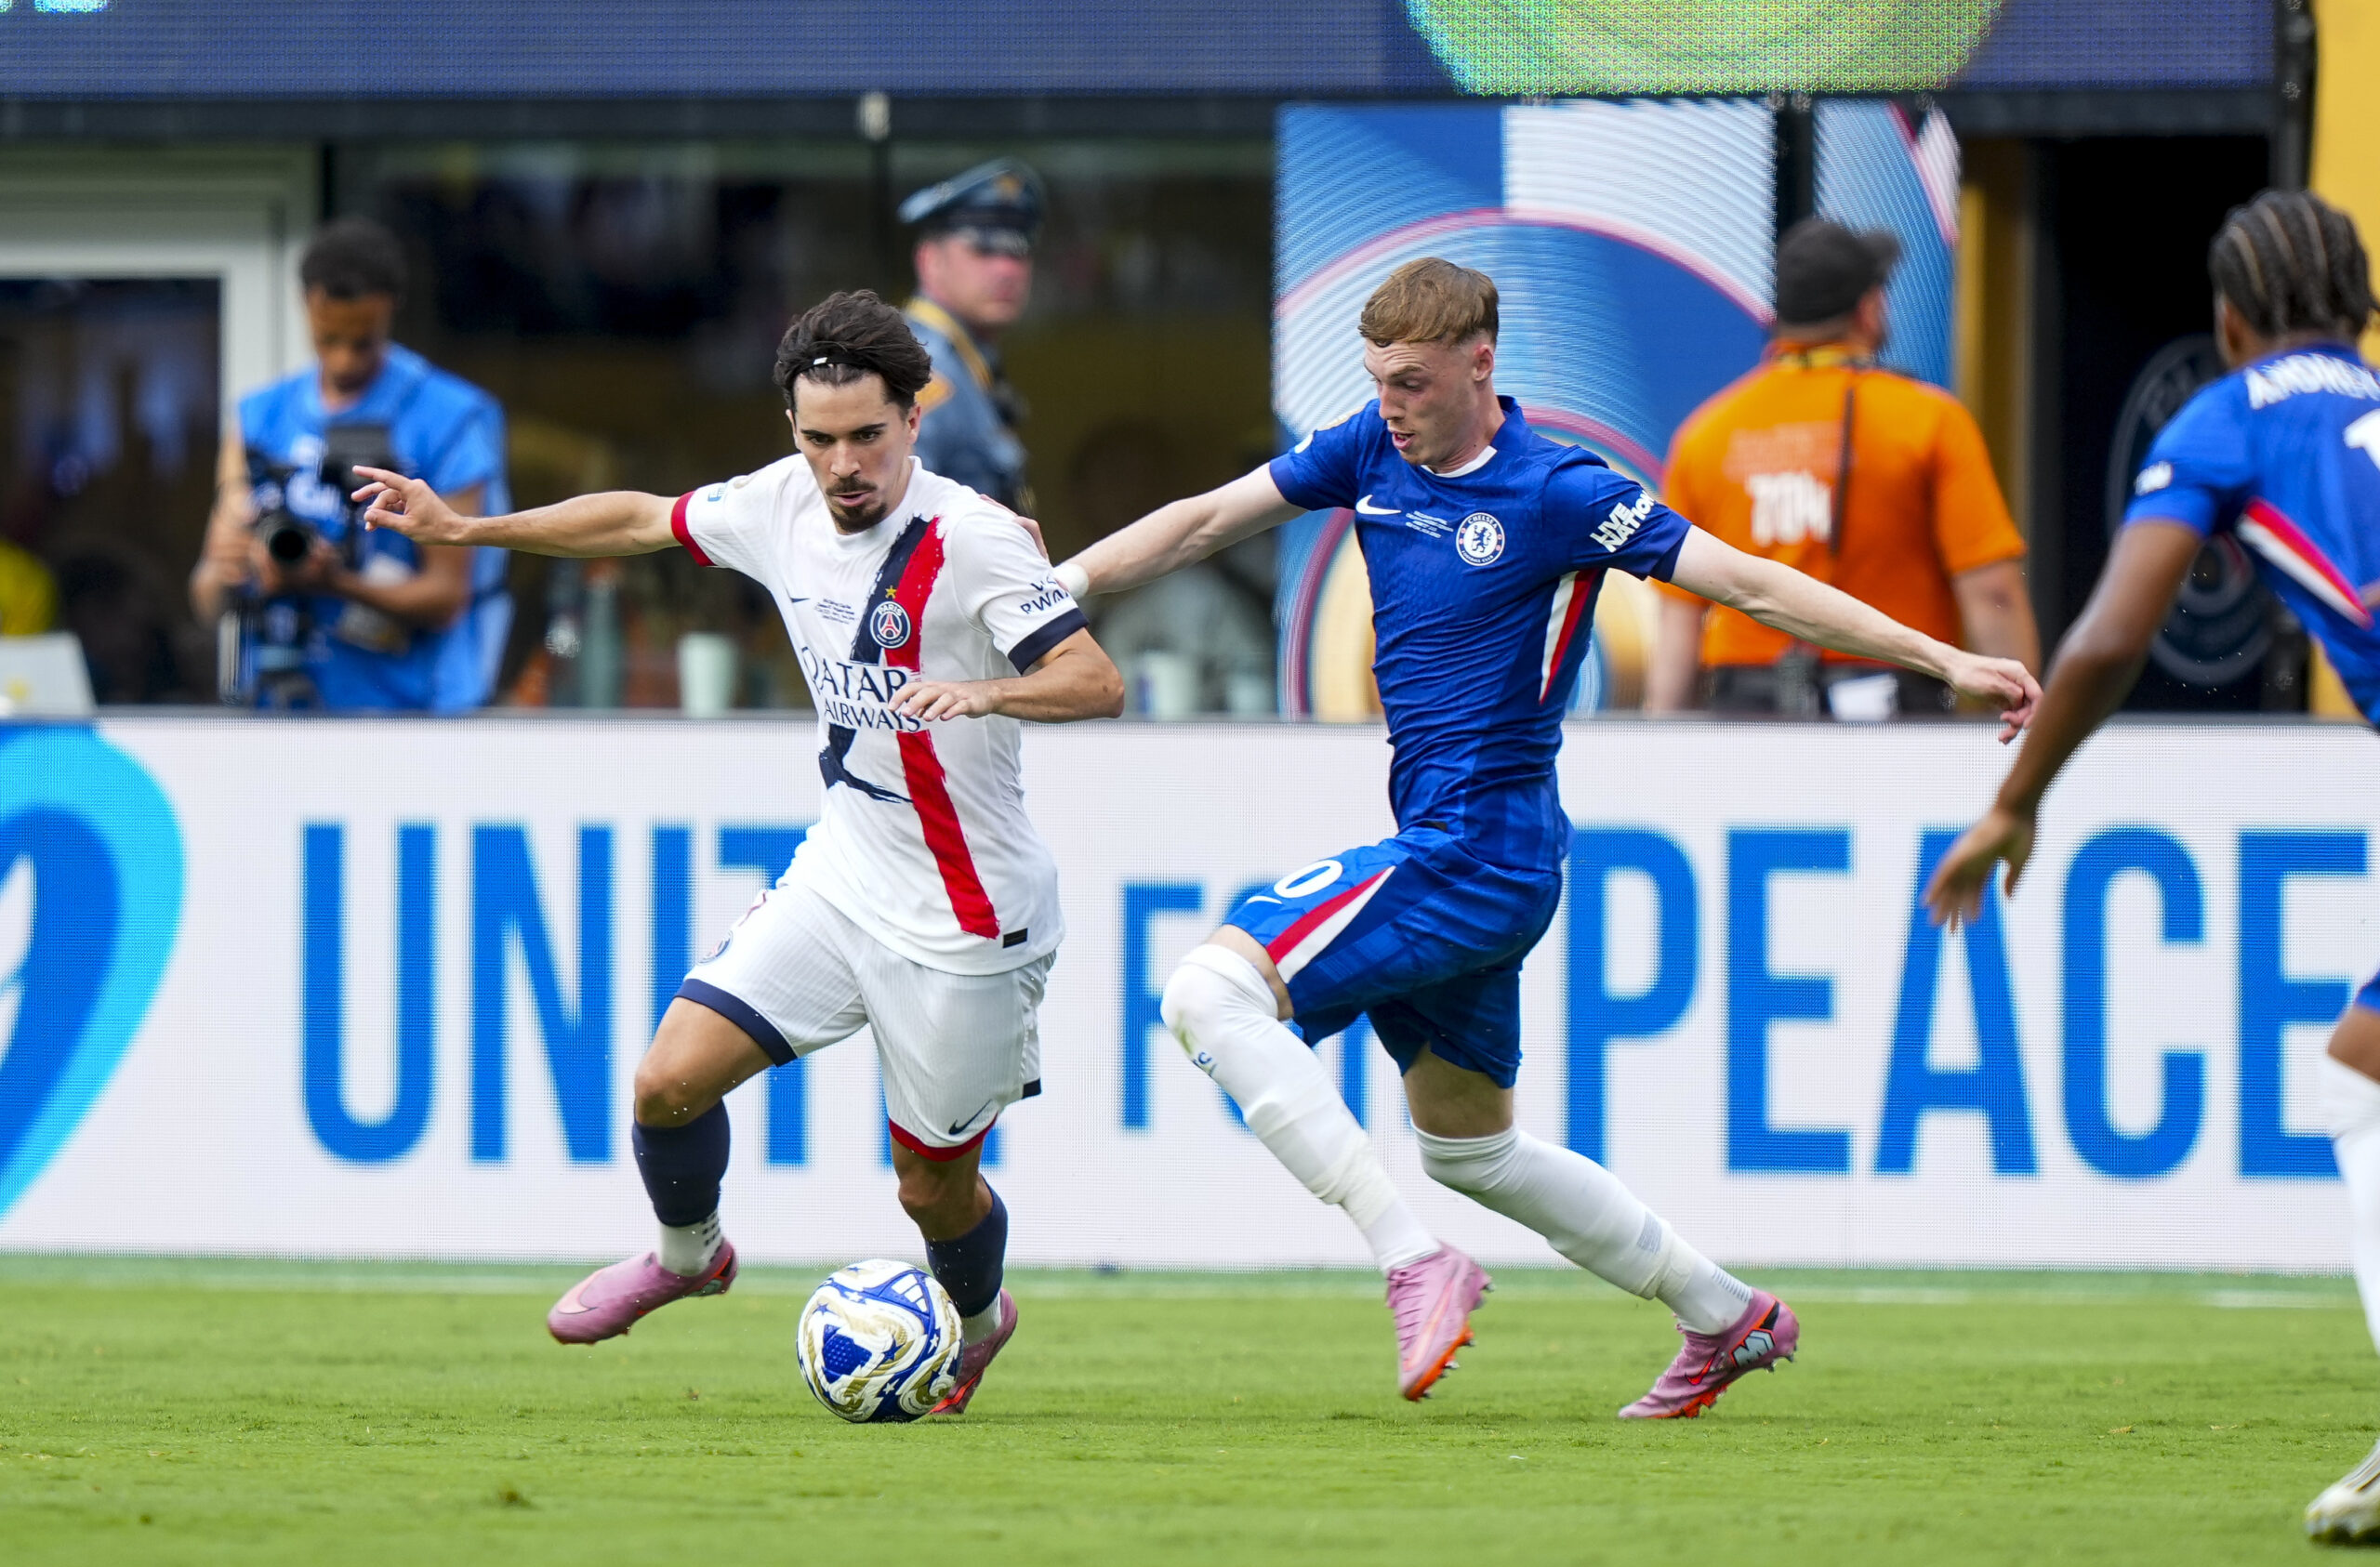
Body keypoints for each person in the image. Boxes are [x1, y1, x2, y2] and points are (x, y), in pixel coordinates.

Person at [1056, 257, 2039, 1412]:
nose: (1391, 406)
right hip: (1467, 851)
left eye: (1412, 384)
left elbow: (1749, 586)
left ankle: (1412, 1260)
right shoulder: (1370, 450)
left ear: (1480, 363)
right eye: (1377, 382)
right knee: (1471, 1149)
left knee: (1205, 995)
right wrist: (1056, 585)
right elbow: (1208, 519)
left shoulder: (1562, 493)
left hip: (1476, 852)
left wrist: (1946, 658)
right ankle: (1726, 1316)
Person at [350, 290, 1121, 1415]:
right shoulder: (778, 504)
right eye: (819, 440)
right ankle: (685, 1256)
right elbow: (636, 520)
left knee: (931, 1192)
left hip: (967, 917)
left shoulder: (978, 541)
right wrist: (468, 530)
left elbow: (1095, 681)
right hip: (846, 869)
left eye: (867, 436)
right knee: (665, 1082)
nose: (843, 463)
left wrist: (985, 689)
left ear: (914, 418)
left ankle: (981, 1309)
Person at [1923, 190, 2380, 1542]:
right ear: (2359, 311)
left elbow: (2115, 634)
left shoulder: (2228, 418)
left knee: (2359, 1075)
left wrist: (2015, 798)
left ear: (2232, 322)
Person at [1648, 218, 2039, 720]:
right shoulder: (1930, 420)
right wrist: (2025, 722)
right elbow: (1993, 592)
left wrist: (1662, 731)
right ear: (1870, 308)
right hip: (1894, 714)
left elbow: (1679, 623)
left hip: (1744, 717)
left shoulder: (1705, 434)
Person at [190, 217, 511, 711]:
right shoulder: (258, 416)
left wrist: (334, 583)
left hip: (408, 717)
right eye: (326, 339)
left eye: (363, 342)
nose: (342, 362)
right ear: (305, 304)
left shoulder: (449, 419)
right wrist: (230, 561)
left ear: (391, 309)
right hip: (278, 710)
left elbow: (448, 596)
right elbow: (207, 600)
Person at [900, 159, 1043, 511]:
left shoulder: (966, 360)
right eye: (983, 250)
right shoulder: (918, 367)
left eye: (1017, 252)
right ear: (930, 260)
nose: (1006, 269)